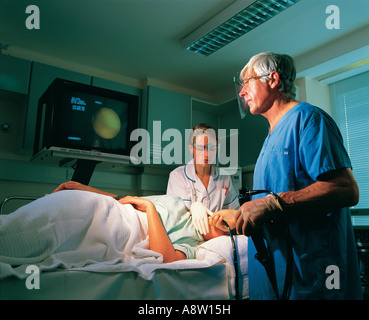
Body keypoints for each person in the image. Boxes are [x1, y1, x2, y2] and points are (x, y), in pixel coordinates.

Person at [213, 51, 362, 299]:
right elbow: (272, 200)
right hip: (275, 274)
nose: (241, 92)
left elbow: (345, 189)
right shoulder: (271, 136)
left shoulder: (309, 120)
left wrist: (274, 204)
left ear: (272, 79)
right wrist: (242, 214)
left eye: (247, 81)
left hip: (311, 276)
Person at [51, 181, 234, 262]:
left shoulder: (193, 244)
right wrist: (84, 189)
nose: (218, 220)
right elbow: (127, 199)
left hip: (124, 227)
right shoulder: (176, 201)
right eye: (220, 215)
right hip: (115, 209)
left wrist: (150, 208)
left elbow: (165, 257)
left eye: (225, 227)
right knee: (58, 203)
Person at [166, 123, 239, 236]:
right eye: (201, 147)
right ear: (191, 148)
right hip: (187, 237)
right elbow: (176, 218)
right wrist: (194, 209)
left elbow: (233, 215)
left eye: (211, 148)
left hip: (216, 237)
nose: (206, 154)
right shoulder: (178, 176)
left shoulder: (224, 178)